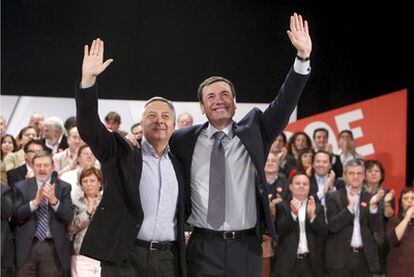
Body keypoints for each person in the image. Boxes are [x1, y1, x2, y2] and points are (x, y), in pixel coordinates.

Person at [169, 12, 312, 276]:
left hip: (245, 247)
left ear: (235, 102)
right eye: (210, 96)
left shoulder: (256, 130)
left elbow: (285, 102)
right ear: (202, 107)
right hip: (201, 247)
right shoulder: (182, 140)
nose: (219, 100)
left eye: (225, 94)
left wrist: (302, 59)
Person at [74, 38, 186, 277]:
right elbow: (89, 128)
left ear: (174, 125)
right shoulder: (120, 151)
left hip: (168, 260)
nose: (159, 120)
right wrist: (88, 81)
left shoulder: (179, 163)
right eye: (152, 115)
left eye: (166, 116)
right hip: (124, 257)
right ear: (141, 123)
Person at [13, 151, 74, 276]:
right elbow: (15, 216)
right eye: (38, 165)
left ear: (53, 167)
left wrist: (54, 201)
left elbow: (69, 216)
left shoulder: (63, 187)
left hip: (53, 246)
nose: (42, 169)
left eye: (46, 165)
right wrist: (35, 203)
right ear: (32, 167)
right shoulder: (21, 187)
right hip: (27, 245)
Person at [325, 159, 384, 277]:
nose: (355, 177)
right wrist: (350, 208)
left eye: (359, 173)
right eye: (351, 173)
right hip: (340, 260)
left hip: (365, 259)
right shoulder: (333, 197)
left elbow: (376, 228)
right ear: (344, 176)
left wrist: (373, 208)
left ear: (364, 176)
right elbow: (332, 226)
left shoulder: (371, 198)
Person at [275, 172, 327, 277]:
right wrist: (293, 214)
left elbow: (324, 232)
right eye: (297, 183)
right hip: (288, 263)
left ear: (309, 187)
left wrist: (312, 217)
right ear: (290, 186)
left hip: (312, 263)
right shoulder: (282, 206)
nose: (301, 186)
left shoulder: (317, 207)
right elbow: (280, 230)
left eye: (305, 183)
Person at [69, 167, 103, 277]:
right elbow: (71, 228)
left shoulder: (108, 203)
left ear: (100, 183)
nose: (88, 184)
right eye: (85, 181)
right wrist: (88, 213)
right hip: (81, 254)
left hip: (103, 255)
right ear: (81, 185)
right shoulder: (75, 203)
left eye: (92, 180)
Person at [386, 186, 414, 277]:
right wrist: (407, 218)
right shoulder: (394, 220)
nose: (409, 201)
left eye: (413, 198)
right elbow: (393, 239)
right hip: (398, 272)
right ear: (401, 203)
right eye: (405, 198)